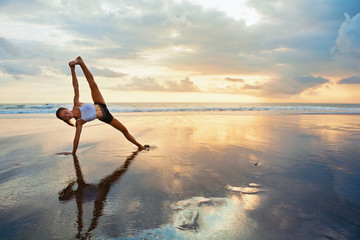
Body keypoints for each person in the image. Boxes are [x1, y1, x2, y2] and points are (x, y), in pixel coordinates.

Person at [56, 56, 146, 155]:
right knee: (124, 130)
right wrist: (73, 152)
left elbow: (75, 85)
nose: (67, 115)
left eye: (65, 112)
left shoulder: (76, 104)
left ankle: (81, 62)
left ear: (66, 109)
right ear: (66, 119)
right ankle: (140, 146)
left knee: (92, 84)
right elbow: (76, 139)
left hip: (100, 104)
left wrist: (72, 70)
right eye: (65, 117)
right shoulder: (79, 123)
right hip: (105, 116)